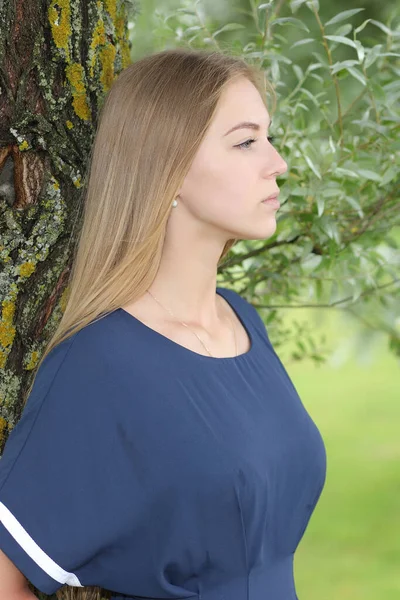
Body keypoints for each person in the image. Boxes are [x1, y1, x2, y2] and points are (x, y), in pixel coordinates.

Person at [0, 48, 326, 600]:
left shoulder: (240, 320)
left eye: (269, 139)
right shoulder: (100, 362)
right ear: (167, 167)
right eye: (246, 142)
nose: (278, 164)